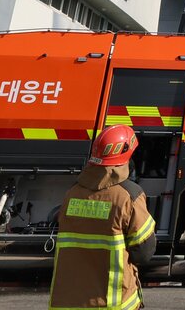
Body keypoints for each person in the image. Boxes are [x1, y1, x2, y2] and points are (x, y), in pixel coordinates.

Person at [49, 124, 156, 310]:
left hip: (67, 303)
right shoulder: (129, 196)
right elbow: (144, 252)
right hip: (111, 304)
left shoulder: (72, 193)